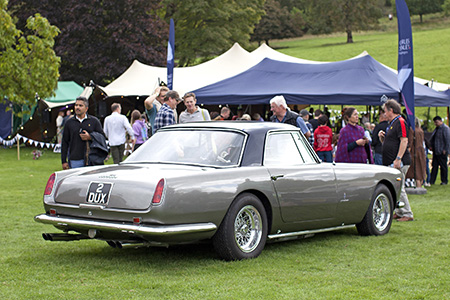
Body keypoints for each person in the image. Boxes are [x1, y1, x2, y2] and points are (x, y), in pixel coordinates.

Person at [378, 99, 413, 222]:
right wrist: (383, 138)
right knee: (396, 187)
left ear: (391, 110)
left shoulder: (400, 122)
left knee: (400, 187)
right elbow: (392, 142)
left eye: (385, 111)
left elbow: (404, 140)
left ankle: (407, 213)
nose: (384, 114)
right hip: (392, 160)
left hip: (399, 161)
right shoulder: (392, 123)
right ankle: (399, 211)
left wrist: (398, 159)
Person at [61, 97, 104, 169]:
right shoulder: (69, 122)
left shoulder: (94, 121)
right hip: (75, 159)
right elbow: (65, 142)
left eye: (80, 106)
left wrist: (90, 137)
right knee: (76, 180)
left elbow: (102, 137)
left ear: (86, 108)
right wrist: (64, 161)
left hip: (92, 159)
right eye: (76, 105)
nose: (77, 107)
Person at [405, 117, 427, 188]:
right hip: (421, 151)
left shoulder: (412, 130)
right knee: (420, 168)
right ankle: (420, 185)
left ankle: (418, 187)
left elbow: (410, 143)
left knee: (416, 169)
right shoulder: (421, 130)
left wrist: (407, 152)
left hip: (414, 152)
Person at [429, 116, 450, 185]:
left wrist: (445, 150)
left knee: (443, 166)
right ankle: (432, 181)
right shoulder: (437, 129)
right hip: (436, 150)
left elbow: (447, 140)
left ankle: (444, 180)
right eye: (435, 123)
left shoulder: (445, 129)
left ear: (441, 121)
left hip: (442, 151)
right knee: (434, 166)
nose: (436, 124)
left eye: (437, 122)